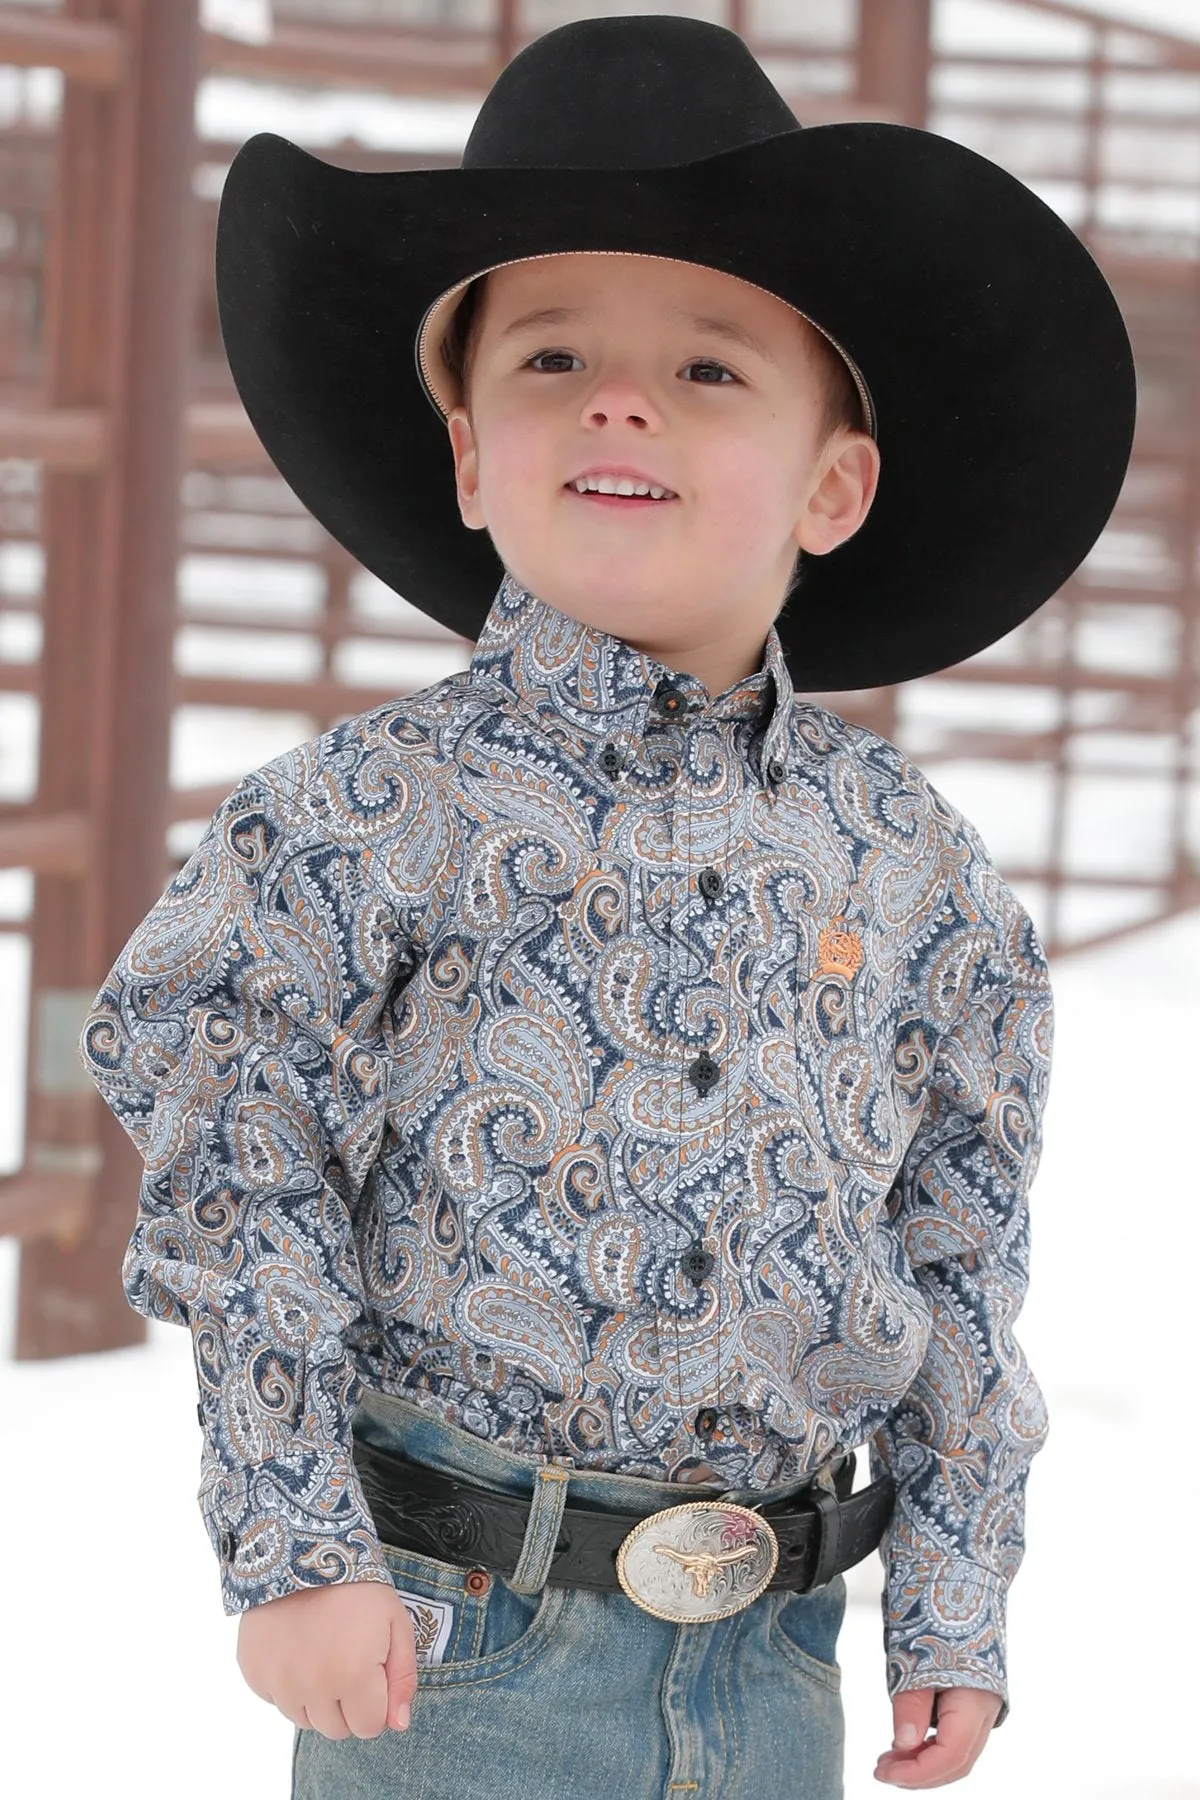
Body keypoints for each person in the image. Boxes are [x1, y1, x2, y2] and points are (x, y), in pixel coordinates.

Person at [78, 14, 1135, 1798]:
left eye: (711, 370)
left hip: (771, 1661)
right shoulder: (364, 820)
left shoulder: (915, 871)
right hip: (455, 1645)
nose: (619, 401)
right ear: (473, 458)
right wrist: (300, 1550)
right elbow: (240, 1168)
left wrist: (954, 1604)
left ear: (834, 486)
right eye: (552, 356)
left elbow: (959, 1258)